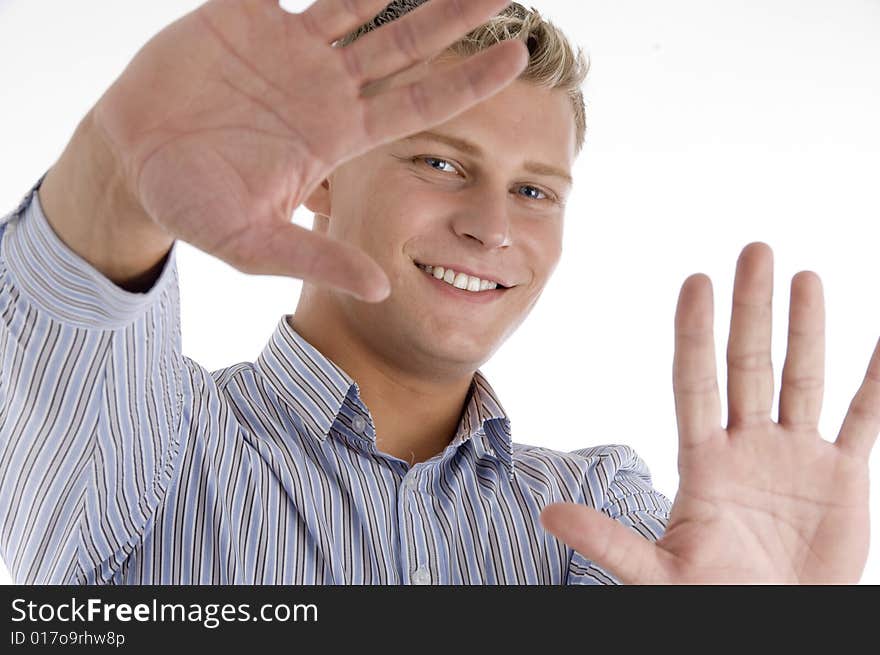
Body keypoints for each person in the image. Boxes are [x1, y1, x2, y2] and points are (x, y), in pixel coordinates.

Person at [0, 0, 877, 585]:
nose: (493, 226)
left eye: (535, 190)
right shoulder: (152, 450)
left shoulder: (601, 519)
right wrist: (117, 172)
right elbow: (67, 321)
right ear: (320, 174)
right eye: (441, 162)